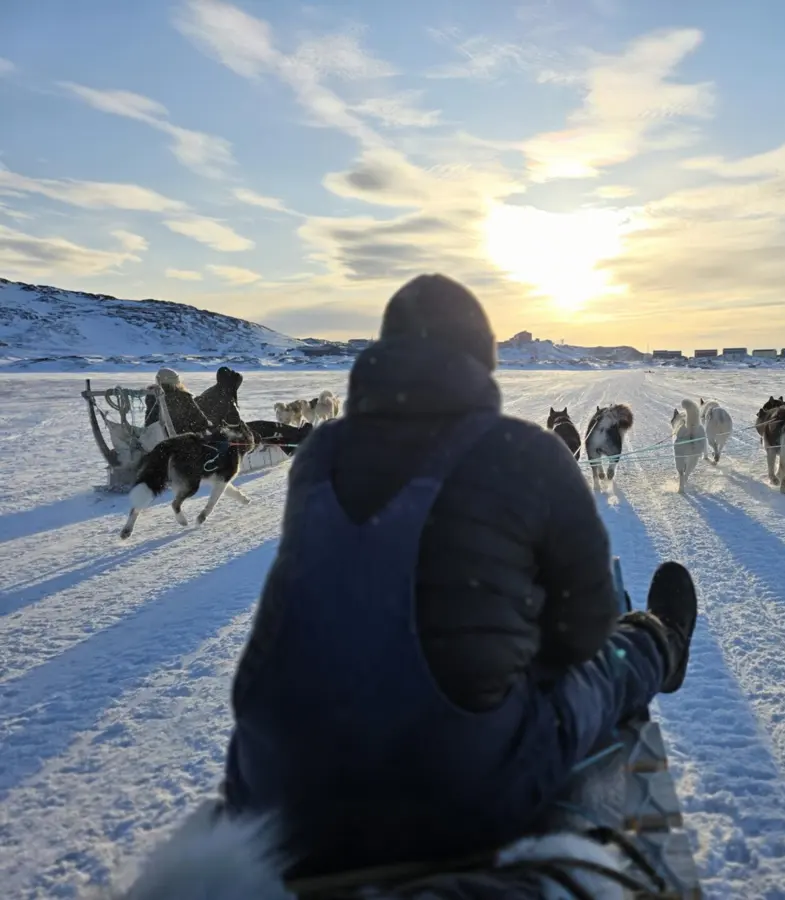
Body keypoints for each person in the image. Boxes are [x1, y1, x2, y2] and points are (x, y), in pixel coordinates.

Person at [220, 273, 698, 880]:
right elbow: (585, 629)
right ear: (483, 360)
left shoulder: (321, 453)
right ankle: (662, 641)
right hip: (459, 795)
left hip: (270, 794)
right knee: (607, 658)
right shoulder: (527, 450)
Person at [143, 367, 211, 434]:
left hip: (158, 437)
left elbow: (149, 423)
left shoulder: (152, 396)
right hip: (184, 437)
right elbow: (202, 422)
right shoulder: (183, 397)